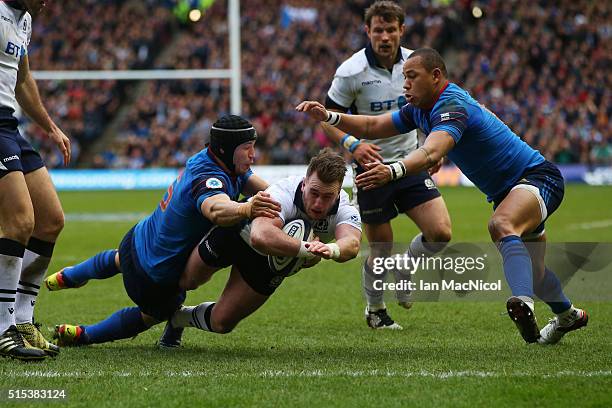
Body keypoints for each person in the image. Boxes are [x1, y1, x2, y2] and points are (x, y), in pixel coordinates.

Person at [296, 48, 589, 344]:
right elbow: (374, 125)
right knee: (537, 273)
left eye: (412, 77)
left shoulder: (451, 104)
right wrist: (330, 116)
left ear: (436, 76)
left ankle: (522, 303)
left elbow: (432, 151)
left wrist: (393, 170)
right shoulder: (417, 109)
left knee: (500, 225)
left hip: (538, 178)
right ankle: (568, 316)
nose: (405, 84)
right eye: (403, 78)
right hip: (508, 191)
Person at [45, 115, 281, 346]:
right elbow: (215, 209)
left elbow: (273, 193)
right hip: (154, 277)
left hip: (136, 239)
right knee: (156, 313)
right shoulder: (208, 178)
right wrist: (247, 208)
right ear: (225, 150)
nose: (253, 154)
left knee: (119, 259)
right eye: (247, 148)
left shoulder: (214, 161)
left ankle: (70, 275)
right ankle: (85, 335)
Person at [321, 1, 451, 330]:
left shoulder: (415, 64)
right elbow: (327, 119)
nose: (385, 36)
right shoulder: (350, 72)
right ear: (368, 31)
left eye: (391, 30)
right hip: (370, 170)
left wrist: (436, 147)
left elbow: (435, 107)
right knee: (381, 247)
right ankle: (376, 310)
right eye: (378, 30)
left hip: (409, 162)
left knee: (440, 232)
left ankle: (406, 266)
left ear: (401, 31)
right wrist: (352, 144)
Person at [154, 148, 362, 347]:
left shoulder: (344, 207)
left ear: (337, 193)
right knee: (187, 280)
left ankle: (178, 319)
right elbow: (260, 236)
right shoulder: (283, 192)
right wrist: (307, 249)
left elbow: (351, 244)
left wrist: (330, 249)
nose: (318, 203)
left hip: (268, 263)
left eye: (327, 197)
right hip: (237, 234)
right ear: (304, 183)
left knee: (222, 323)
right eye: (314, 193)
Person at [0, 0, 71, 360]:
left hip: (9, 126)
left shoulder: (23, 19)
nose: (48, 2)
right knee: (19, 222)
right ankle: (1, 328)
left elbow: (23, 79)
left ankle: (23, 319)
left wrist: (51, 127)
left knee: (50, 220)